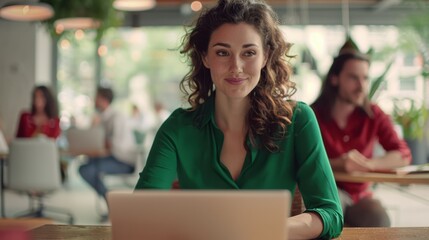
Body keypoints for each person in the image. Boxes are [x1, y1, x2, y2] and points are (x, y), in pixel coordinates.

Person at [135, 0, 343, 239]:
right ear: (205, 57)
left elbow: (331, 214)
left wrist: (268, 230)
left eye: (249, 53)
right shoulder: (178, 128)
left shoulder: (297, 120)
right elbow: (142, 215)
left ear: (265, 57)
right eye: (223, 52)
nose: (236, 67)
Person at [311, 43, 412, 227]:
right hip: (326, 193)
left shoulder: (374, 114)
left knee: (379, 219)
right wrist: (339, 164)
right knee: (326, 217)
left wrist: (368, 164)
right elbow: (298, 162)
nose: (362, 86)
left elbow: (403, 154)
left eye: (365, 78)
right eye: (353, 78)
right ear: (334, 78)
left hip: (360, 196)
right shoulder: (311, 115)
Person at [79, 87, 138, 218]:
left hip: (123, 161)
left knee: (87, 170)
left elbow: (115, 145)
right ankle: (111, 201)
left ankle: (111, 201)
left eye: (97, 97)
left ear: (104, 100)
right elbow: (94, 141)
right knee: (84, 167)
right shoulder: (102, 117)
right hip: (111, 158)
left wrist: (99, 137)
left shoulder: (117, 117)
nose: (94, 100)